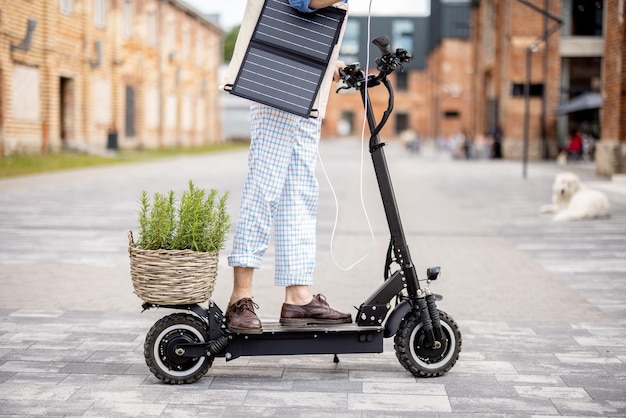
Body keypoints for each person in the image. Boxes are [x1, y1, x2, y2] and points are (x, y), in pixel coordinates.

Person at [226, 0, 351, 334]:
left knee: (299, 195)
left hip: (307, 88)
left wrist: (328, 60)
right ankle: (241, 296)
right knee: (263, 189)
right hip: (280, 84)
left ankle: (298, 295)